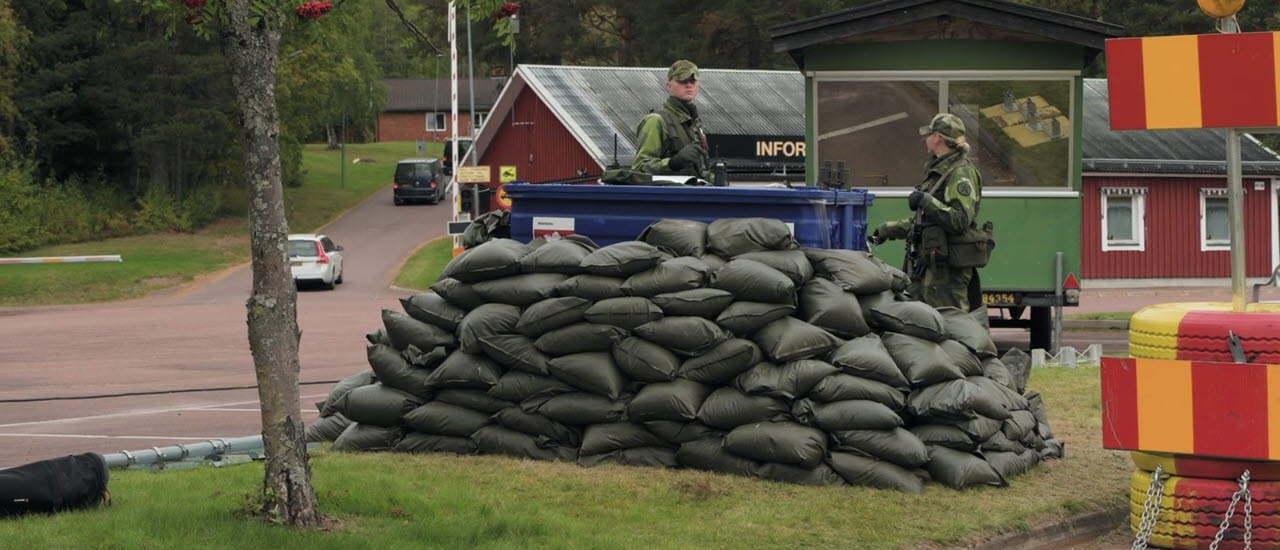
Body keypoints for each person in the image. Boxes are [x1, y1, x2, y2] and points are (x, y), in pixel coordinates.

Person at [870, 113, 990, 312]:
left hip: (947, 271)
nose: (926, 139)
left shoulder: (960, 173)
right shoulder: (940, 171)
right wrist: (888, 230)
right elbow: (926, 222)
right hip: (930, 265)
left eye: (929, 134)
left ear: (938, 138)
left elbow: (960, 220)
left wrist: (926, 201)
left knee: (950, 324)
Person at [631, 59, 711, 182]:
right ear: (669, 86)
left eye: (692, 81)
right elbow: (640, 168)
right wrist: (673, 163)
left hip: (692, 194)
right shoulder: (656, 121)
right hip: (666, 197)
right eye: (682, 81)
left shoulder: (695, 125)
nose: (688, 85)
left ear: (697, 86)